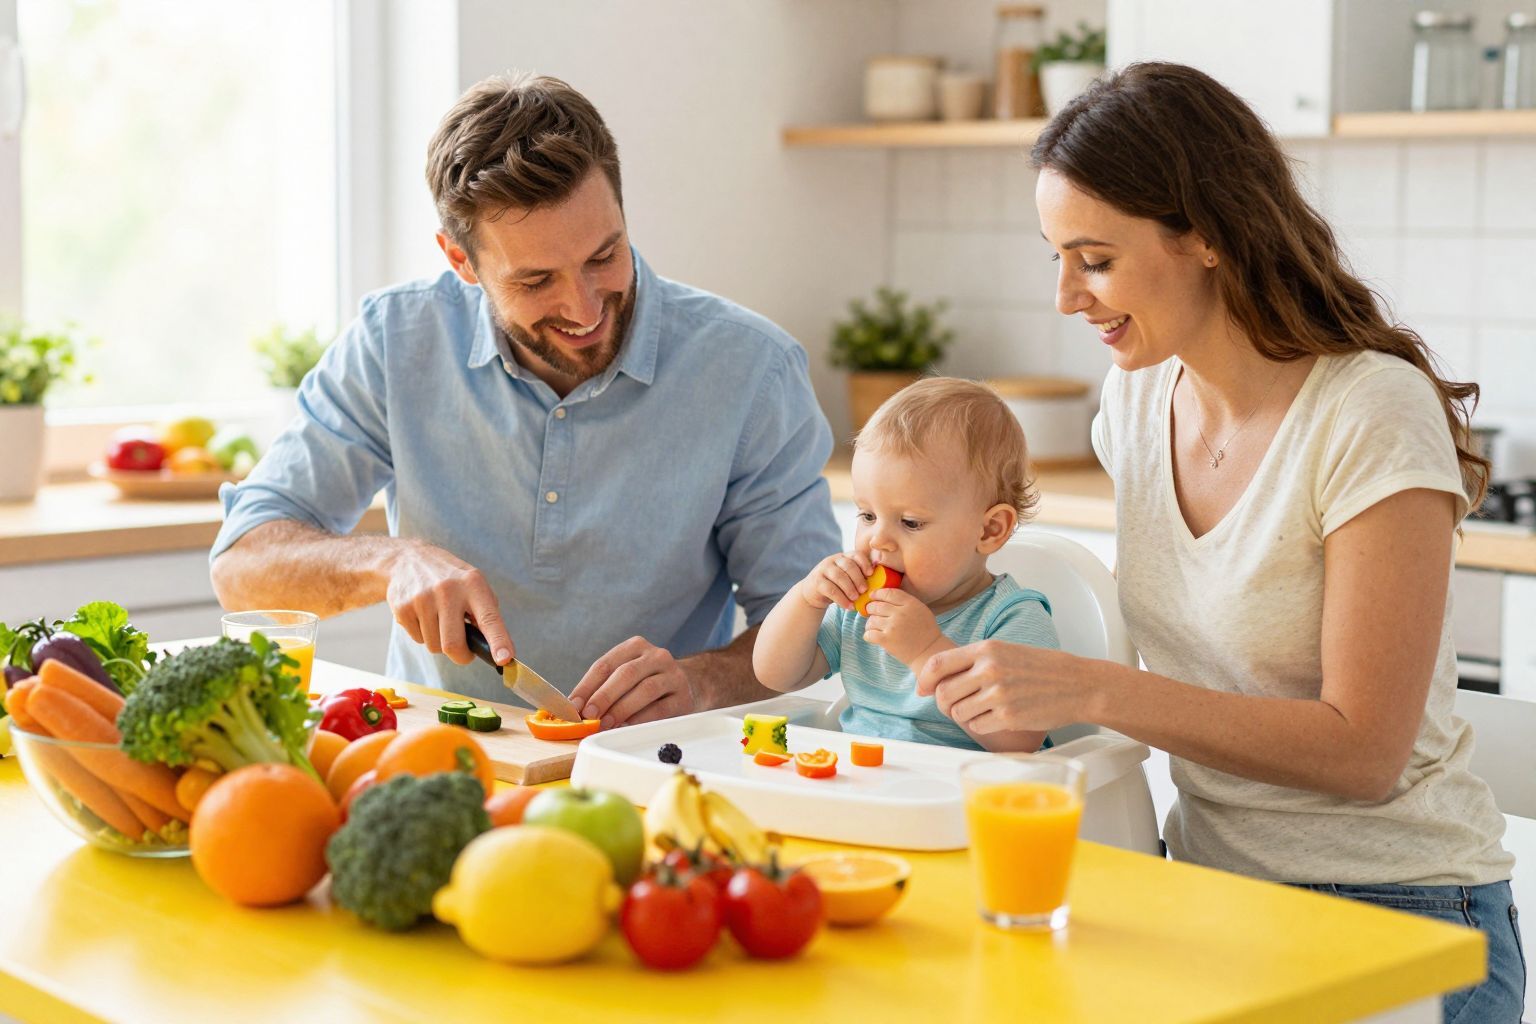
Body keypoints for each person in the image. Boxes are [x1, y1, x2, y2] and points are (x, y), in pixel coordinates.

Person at [916, 62, 1523, 1020]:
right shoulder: (1139, 396)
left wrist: (1090, 687)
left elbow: (1364, 750)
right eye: (1057, 257)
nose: (1068, 299)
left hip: (1402, 919)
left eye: (1097, 259)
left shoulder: (1368, 412)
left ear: (1205, 234)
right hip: (1204, 897)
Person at [210, 73, 840, 725]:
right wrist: (390, 561)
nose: (585, 307)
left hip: (654, 764)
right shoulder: (395, 342)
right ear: (460, 260)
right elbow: (243, 567)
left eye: (604, 255)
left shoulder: (752, 370)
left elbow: (824, 635)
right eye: (537, 280)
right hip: (433, 762)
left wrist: (700, 683)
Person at [755, 377, 1059, 753]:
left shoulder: (1011, 618)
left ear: (989, 529)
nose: (877, 540)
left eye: (910, 523)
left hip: (967, 801)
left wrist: (926, 651)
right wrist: (806, 599)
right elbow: (776, 675)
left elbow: (1019, 738)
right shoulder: (858, 610)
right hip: (871, 792)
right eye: (867, 515)